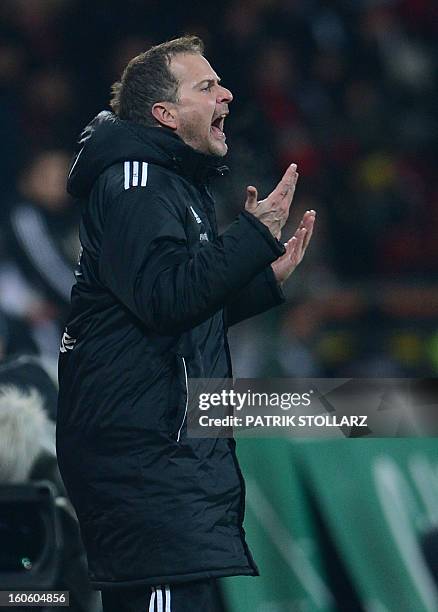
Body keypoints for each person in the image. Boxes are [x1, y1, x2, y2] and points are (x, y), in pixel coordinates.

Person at [56, 35, 315, 612]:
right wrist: (251, 236)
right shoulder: (137, 185)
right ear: (164, 115)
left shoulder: (174, 183)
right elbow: (166, 300)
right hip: (144, 464)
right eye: (207, 86)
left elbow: (174, 318)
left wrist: (261, 281)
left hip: (162, 461)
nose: (227, 93)